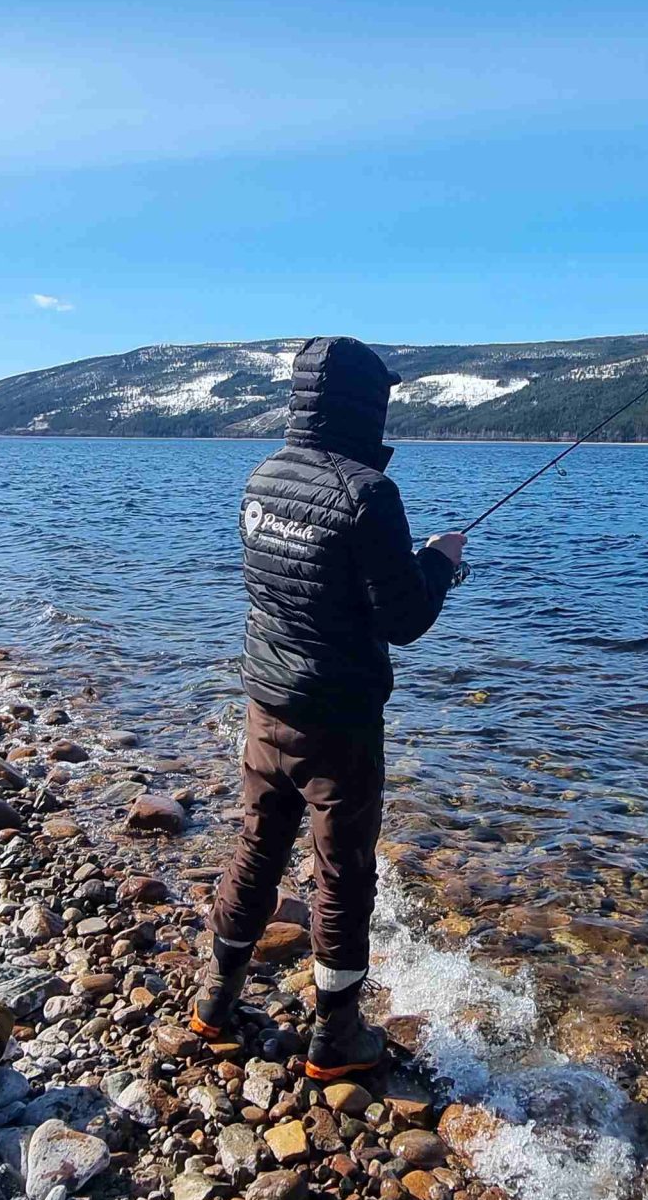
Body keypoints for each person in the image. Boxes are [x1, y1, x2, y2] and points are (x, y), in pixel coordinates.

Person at [191, 336, 465, 1079]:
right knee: (342, 875)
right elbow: (402, 620)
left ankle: (214, 1002)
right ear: (364, 404)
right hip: (337, 723)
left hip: (263, 705)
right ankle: (336, 1038)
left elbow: (312, 591)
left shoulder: (261, 478)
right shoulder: (368, 494)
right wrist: (440, 564)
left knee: (256, 850)